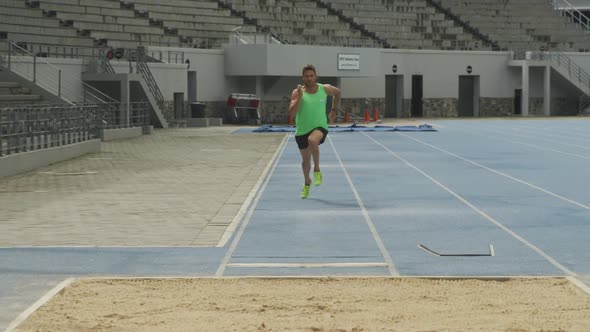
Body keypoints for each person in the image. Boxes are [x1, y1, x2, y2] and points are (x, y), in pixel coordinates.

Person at [288, 64, 341, 199]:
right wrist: (300, 96)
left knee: (312, 140)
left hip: (320, 126)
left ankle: (317, 169)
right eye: (307, 76)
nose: (309, 78)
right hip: (301, 130)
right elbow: (292, 113)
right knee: (305, 162)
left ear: (315, 76)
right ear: (303, 77)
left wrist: (333, 110)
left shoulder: (324, 89)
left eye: (312, 76)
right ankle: (307, 182)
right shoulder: (297, 92)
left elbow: (338, 93)